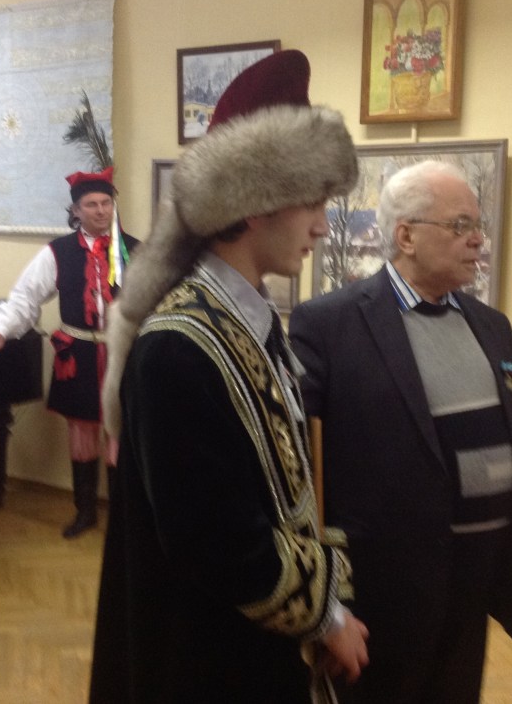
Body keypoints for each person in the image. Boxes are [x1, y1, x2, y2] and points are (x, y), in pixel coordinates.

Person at [288, 160, 512, 703]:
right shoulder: (330, 324)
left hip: (473, 580)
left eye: (478, 225)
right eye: (459, 226)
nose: (478, 239)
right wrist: (326, 604)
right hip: (383, 588)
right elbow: (297, 459)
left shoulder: (487, 324)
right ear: (406, 236)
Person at [89, 50, 369, 703]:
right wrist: (327, 615)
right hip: (204, 662)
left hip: (251, 650)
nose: (322, 225)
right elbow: (216, 544)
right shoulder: (177, 347)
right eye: (312, 201)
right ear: (252, 203)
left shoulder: (244, 321)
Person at [0, 169, 139, 539]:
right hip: (78, 353)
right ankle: (85, 512)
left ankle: (123, 519)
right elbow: (25, 297)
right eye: (91, 205)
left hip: (124, 353)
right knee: (82, 432)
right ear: (76, 210)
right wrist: (1, 331)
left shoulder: (135, 250)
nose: (101, 211)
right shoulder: (57, 252)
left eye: (106, 203)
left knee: (121, 433)